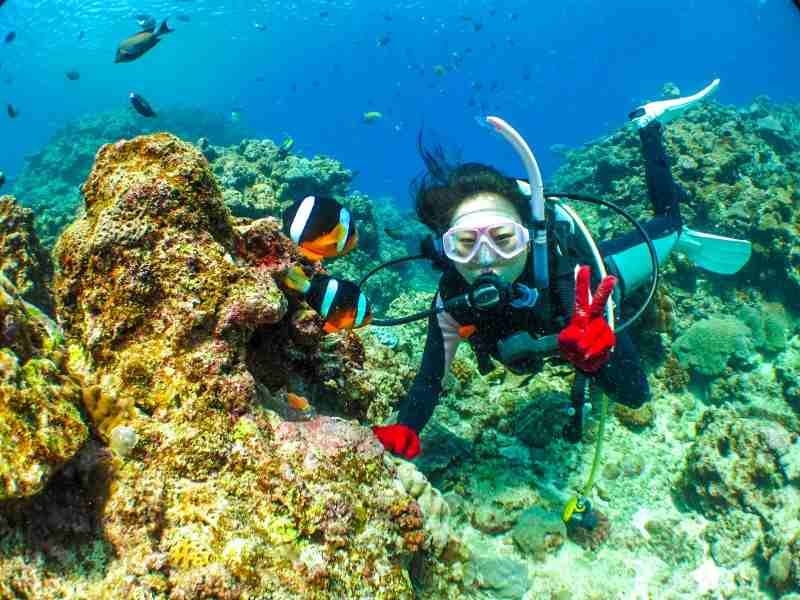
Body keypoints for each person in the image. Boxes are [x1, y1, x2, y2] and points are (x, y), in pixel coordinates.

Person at [372, 78, 751, 460]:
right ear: (446, 249)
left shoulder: (572, 282)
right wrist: (407, 426)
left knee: (670, 226)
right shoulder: (454, 300)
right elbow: (430, 377)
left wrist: (601, 358)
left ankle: (649, 125)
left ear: (531, 237)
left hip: (606, 273)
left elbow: (635, 395)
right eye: (465, 243)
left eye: (504, 238)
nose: (485, 258)